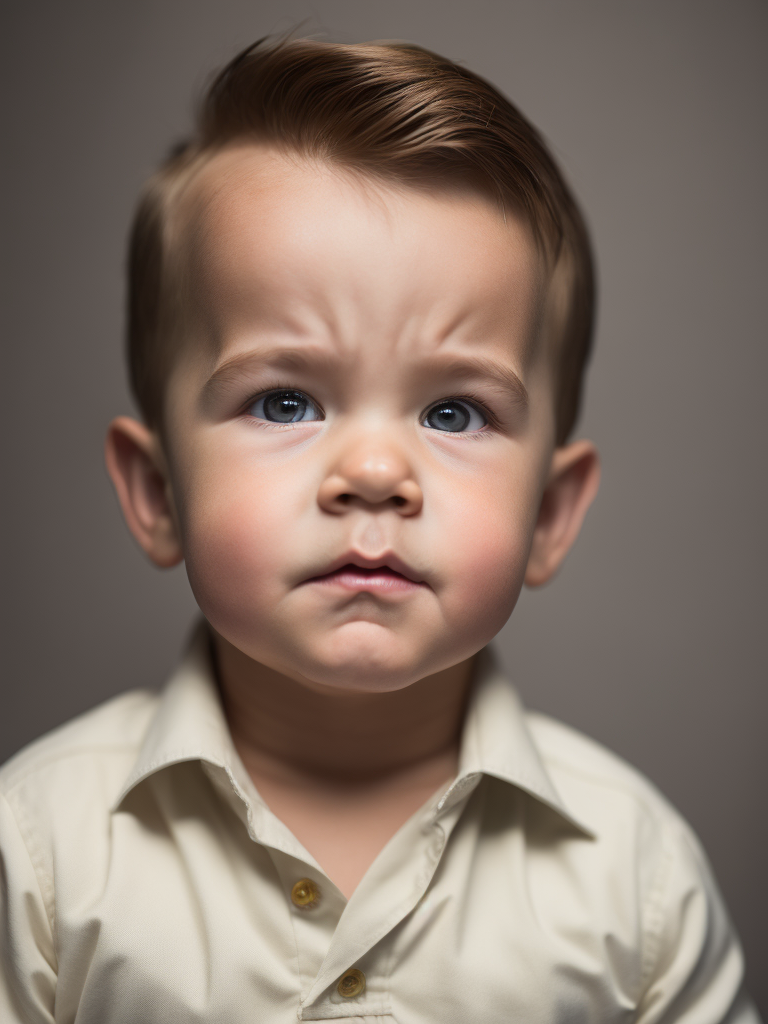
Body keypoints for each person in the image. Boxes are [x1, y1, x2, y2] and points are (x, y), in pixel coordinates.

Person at [0, 36, 760, 1024]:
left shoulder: (636, 876)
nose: (372, 473)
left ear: (551, 514)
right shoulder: (39, 851)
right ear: (156, 491)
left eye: (454, 413)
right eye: (283, 402)